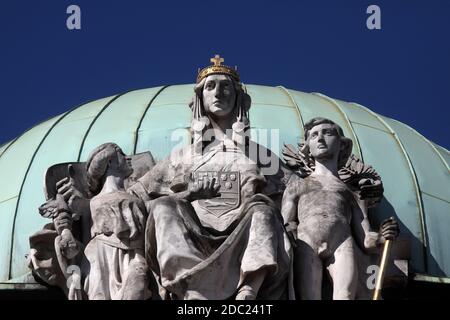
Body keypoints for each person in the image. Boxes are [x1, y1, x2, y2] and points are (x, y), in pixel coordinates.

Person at [128, 55, 292, 300]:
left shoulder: (259, 154)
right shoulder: (181, 156)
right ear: (200, 98)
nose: (218, 93)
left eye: (226, 86)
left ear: (238, 97)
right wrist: (190, 194)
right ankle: (190, 286)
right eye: (210, 86)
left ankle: (248, 287)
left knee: (263, 211)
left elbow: (297, 188)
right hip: (193, 232)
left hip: (243, 231)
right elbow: (136, 200)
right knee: (164, 207)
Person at [281, 117, 399, 300]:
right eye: (313, 136)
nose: (320, 139)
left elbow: (366, 239)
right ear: (307, 148)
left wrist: (383, 236)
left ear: (342, 145)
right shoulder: (296, 186)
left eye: (327, 133)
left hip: (343, 242)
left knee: (345, 295)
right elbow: (286, 226)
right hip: (306, 242)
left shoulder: (352, 194)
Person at [82, 143, 150, 299]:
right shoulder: (96, 202)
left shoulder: (135, 195)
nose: (127, 158)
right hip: (104, 254)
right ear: (110, 161)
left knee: (137, 286)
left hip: (136, 253)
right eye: (121, 154)